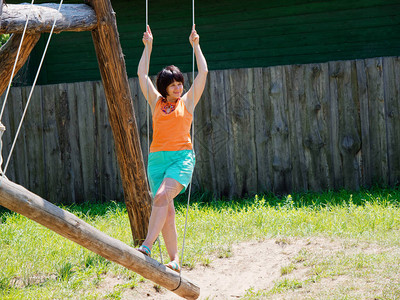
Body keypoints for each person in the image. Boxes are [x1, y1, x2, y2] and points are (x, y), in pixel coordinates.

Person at [136, 24, 208, 272]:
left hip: (181, 159)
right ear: (164, 87)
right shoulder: (157, 103)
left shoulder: (186, 102)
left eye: (180, 84)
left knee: (161, 196)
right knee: (166, 211)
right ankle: (175, 259)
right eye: (174, 85)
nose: (179, 88)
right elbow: (142, 75)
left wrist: (196, 46)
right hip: (156, 160)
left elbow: (203, 73)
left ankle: (146, 245)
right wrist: (148, 47)